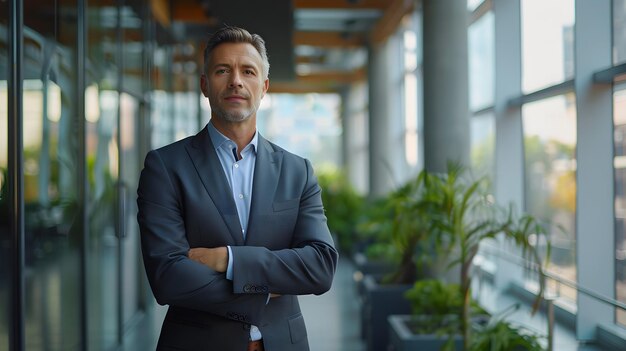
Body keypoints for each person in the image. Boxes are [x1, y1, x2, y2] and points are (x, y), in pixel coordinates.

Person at [137, 26, 338, 351]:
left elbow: (320, 266)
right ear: (204, 84)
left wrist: (228, 259)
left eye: (248, 71)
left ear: (264, 86)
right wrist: (266, 287)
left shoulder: (297, 171)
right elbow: (168, 277)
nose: (236, 81)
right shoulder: (165, 167)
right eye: (222, 70)